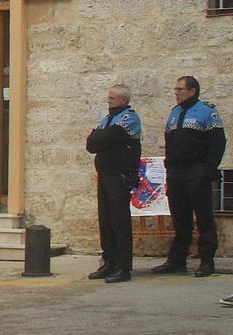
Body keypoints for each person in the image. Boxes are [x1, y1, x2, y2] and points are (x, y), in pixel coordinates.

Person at [152, 76, 226, 277]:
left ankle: (207, 260)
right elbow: (170, 143)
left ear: (192, 91)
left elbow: (218, 143)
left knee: (204, 218)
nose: (176, 92)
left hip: (197, 171)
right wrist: (169, 167)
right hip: (177, 173)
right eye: (175, 89)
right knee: (180, 218)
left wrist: (208, 169)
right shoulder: (174, 113)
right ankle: (177, 261)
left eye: (180, 89)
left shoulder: (207, 111)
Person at [85, 84, 142, 283]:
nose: (108, 101)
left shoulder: (129, 117)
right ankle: (108, 262)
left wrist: (101, 138)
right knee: (106, 220)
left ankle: (123, 267)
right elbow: (91, 143)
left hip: (119, 174)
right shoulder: (108, 118)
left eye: (112, 98)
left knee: (119, 222)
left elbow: (109, 136)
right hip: (105, 173)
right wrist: (100, 138)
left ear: (123, 101)